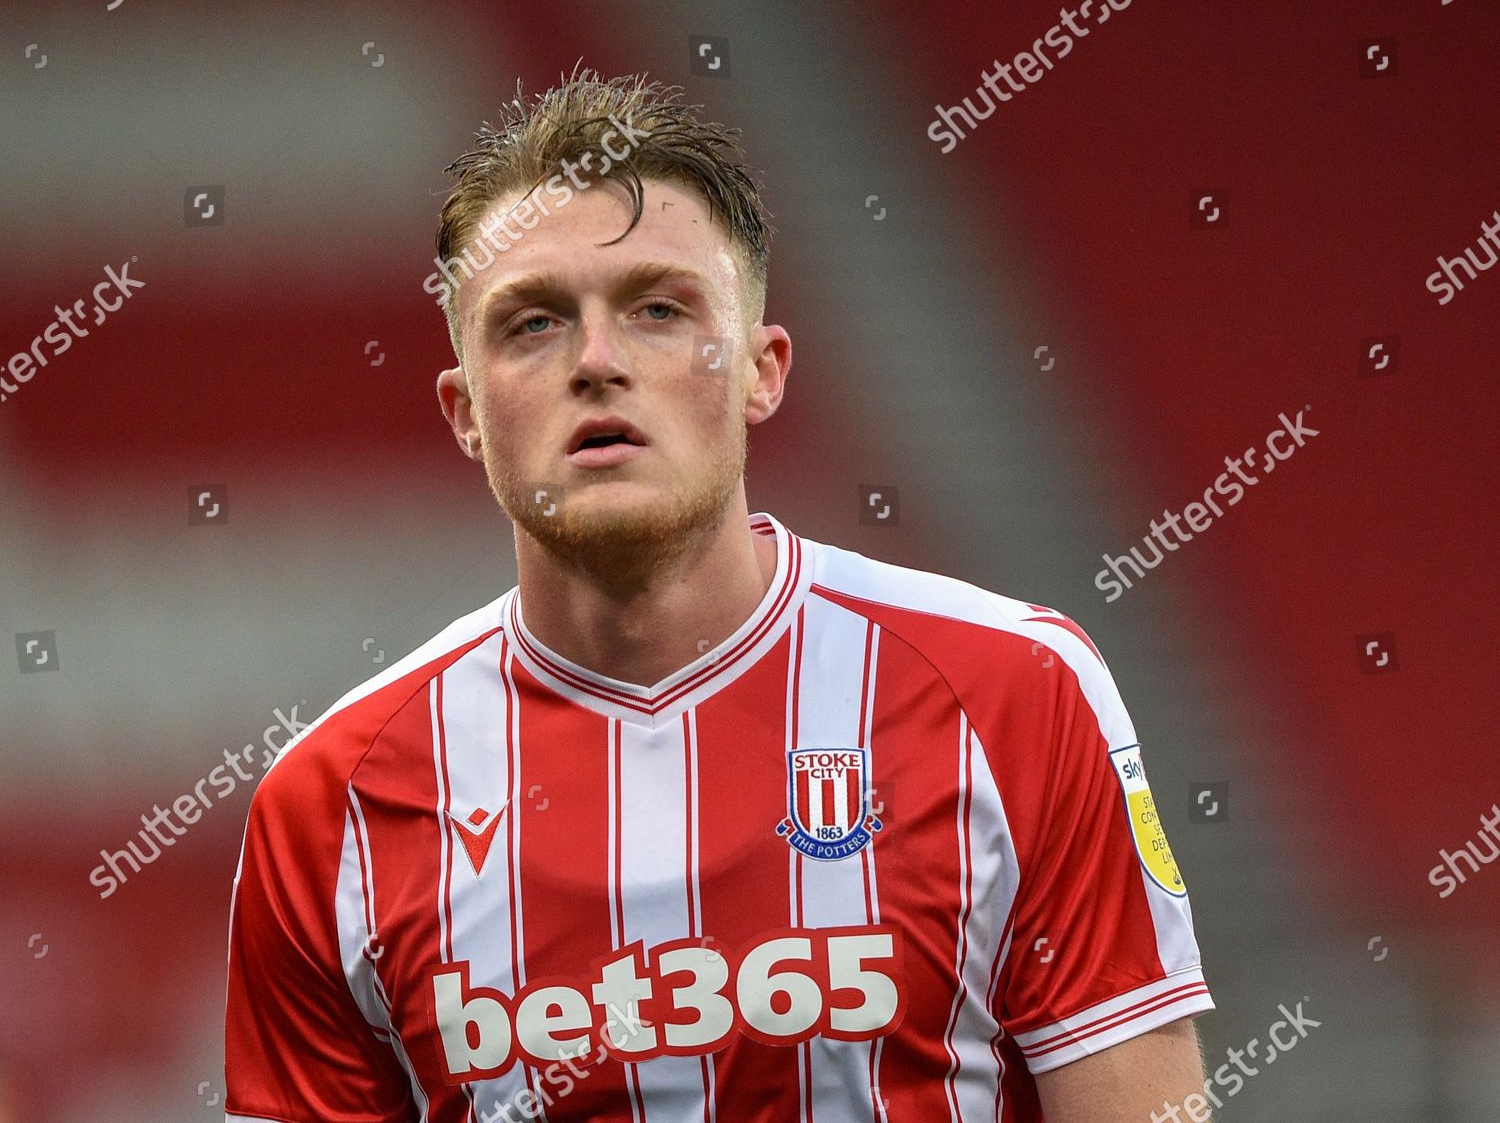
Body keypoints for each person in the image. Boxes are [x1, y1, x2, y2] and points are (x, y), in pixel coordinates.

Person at [223, 69, 1215, 1123]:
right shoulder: (330, 803)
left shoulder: (1015, 692)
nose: (597, 362)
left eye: (658, 309)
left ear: (760, 370)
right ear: (466, 413)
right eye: (532, 324)